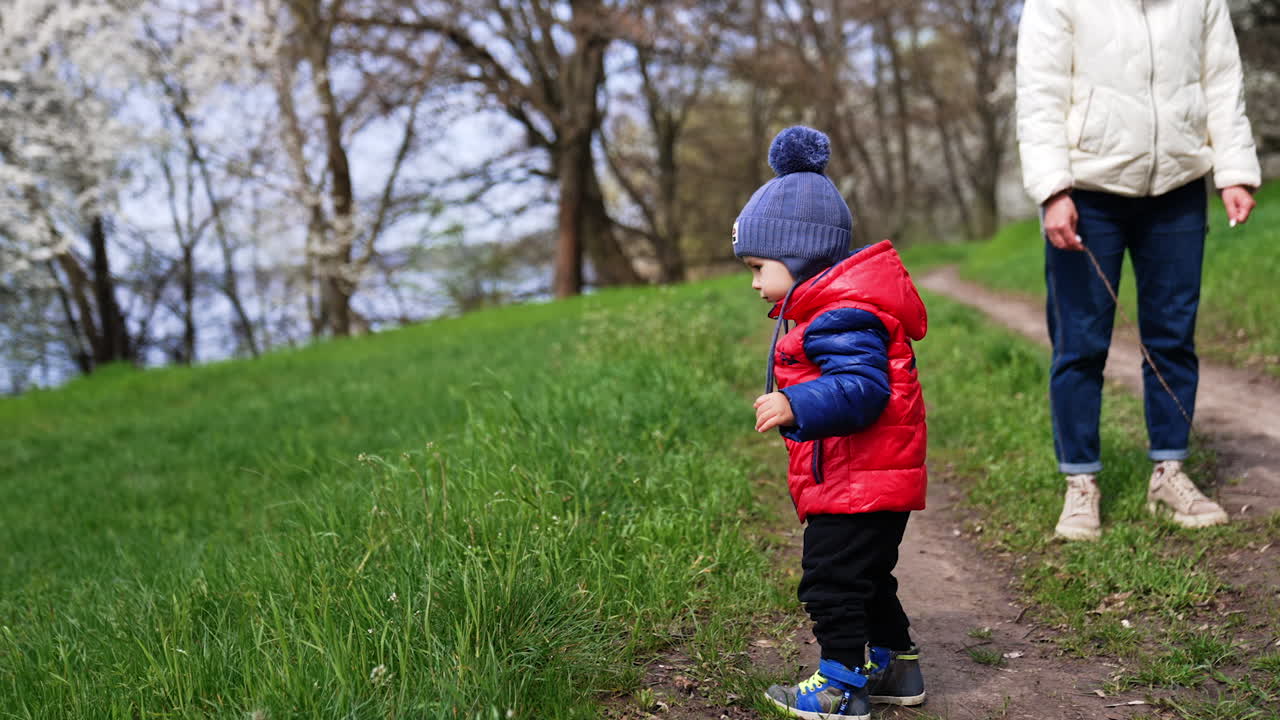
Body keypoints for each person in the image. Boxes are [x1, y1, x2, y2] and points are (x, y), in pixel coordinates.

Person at [1016, 0, 1261, 541]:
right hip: (1086, 189)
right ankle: (1080, 483)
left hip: (1177, 188)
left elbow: (1221, 80)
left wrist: (1235, 169)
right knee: (1080, 343)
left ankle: (1169, 473)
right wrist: (1053, 189)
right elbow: (1040, 94)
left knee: (1172, 336)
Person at [735, 126, 929, 719]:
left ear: (796, 255)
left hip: (856, 483)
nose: (753, 281)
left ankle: (841, 687)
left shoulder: (840, 316)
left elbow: (864, 390)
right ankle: (896, 668)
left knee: (830, 582)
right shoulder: (827, 308)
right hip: (865, 480)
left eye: (758, 265)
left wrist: (799, 405)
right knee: (868, 578)